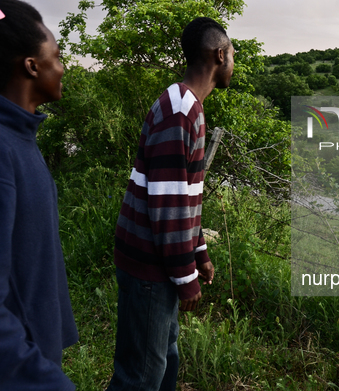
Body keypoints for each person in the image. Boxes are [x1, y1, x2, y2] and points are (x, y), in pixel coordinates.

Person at [107, 17, 234, 391]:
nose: (233, 64)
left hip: (157, 261)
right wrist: (185, 276)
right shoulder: (181, 110)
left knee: (165, 357)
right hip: (150, 266)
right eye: (232, 56)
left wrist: (200, 252)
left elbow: (184, 195)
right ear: (219, 54)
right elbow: (166, 205)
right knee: (140, 377)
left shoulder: (188, 105)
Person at [0, 0, 79, 389]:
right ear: (32, 66)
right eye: (58, 55)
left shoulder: (20, 137)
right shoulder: (3, 149)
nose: (63, 67)